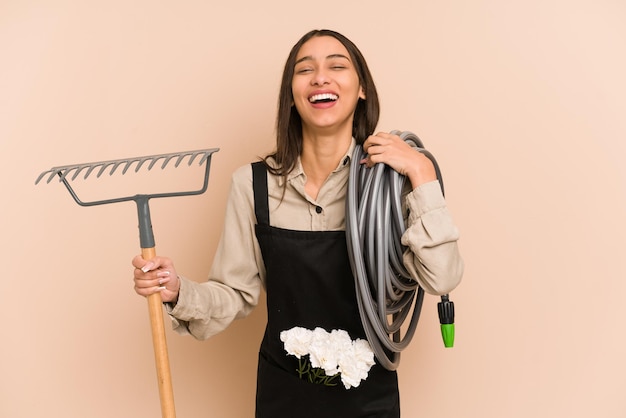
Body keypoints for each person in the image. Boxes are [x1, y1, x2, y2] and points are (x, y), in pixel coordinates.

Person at [132, 29, 463, 417]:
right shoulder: (252, 185)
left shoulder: (393, 184)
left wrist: (422, 173)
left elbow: (441, 278)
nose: (320, 77)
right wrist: (176, 292)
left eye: (337, 66)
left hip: (368, 396)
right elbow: (235, 293)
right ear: (292, 95)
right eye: (305, 70)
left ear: (362, 90)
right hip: (283, 394)